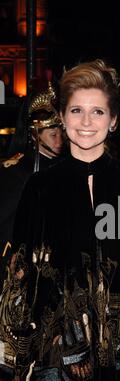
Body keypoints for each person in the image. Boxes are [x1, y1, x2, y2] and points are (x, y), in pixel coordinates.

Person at [0, 58, 120, 381]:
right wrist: (8, 369)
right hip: (50, 369)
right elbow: (18, 281)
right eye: (76, 110)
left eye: (98, 111)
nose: (86, 121)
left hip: (119, 367)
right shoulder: (39, 188)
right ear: (61, 116)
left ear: (114, 120)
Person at [0, 82, 63, 291]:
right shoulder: (16, 171)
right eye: (51, 133)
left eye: (59, 131)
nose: (58, 139)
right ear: (35, 134)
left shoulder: (65, 167)